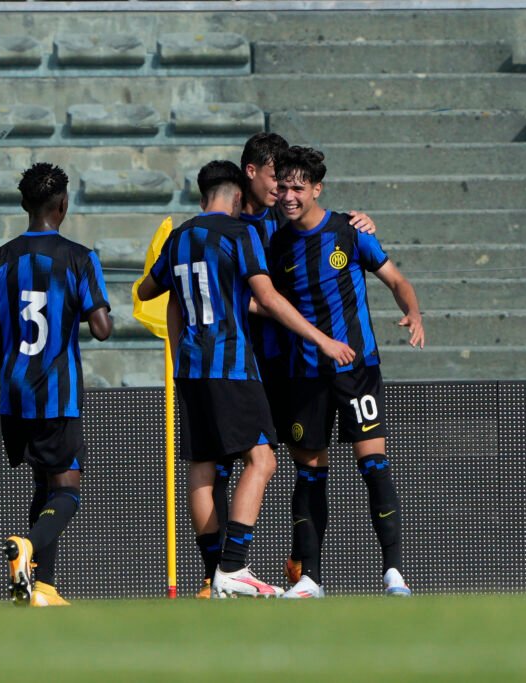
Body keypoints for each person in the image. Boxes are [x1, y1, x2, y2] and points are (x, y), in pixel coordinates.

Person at [136, 160, 355, 598]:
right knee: (263, 460)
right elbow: (268, 298)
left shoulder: (179, 238)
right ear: (237, 197)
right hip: (231, 366)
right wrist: (323, 340)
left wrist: (182, 347)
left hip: (191, 370)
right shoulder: (240, 234)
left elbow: (147, 292)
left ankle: (214, 571)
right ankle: (233, 566)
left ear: (203, 197)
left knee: (203, 465)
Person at [191, 132, 380, 599]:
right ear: (251, 174)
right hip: (240, 361)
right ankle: (218, 572)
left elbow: (325, 244)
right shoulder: (230, 227)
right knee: (226, 463)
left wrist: (359, 224)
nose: (284, 189)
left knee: (300, 460)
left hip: (288, 365)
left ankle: (299, 562)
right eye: (277, 178)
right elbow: (257, 296)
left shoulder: (284, 220)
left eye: (292, 184)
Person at [0, 162, 112, 607]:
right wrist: (92, 305)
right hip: (57, 394)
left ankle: (43, 586)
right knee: (69, 489)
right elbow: (102, 329)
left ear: (23, 204)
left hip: (14, 397)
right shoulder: (79, 257)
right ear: (63, 204)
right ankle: (28, 547)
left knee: (43, 485)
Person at [265, 146, 425, 599]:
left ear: (317, 188)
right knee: (310, 474)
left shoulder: (351, 232)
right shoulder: (277, 245)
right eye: (284, 187)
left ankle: (393, 573)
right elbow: (267, 301)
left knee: (374, 466)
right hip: (304, 374)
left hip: (357, 370)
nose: (290, 195)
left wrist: (413, 312)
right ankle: (311, 579)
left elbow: (396, 280)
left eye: (299, 187)